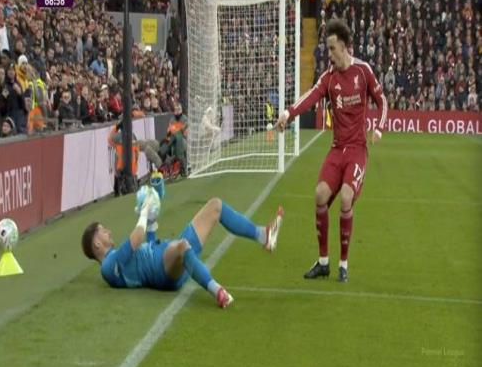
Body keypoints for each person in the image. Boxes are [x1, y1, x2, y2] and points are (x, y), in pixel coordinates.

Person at [274, 18, 388, 282]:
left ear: (345, 47)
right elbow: (311, 97)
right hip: (337, 150)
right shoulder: (329, 77)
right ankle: (324, 262)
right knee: (320, 195)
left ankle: (343, 265)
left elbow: (381, 100)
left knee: (347, 198)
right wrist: (288, 113)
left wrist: (379, 128)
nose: (330, 54)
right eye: (328, 49)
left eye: (333, 49)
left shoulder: (363, 71)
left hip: (357, 150)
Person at [81, 185, 284, 308]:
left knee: (215, 206)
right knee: (182, 246)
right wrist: (144, 211)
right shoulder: (108, 267)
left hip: (168, 255)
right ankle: (218, 292)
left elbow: (146, 246)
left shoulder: (116, 260)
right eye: (103, 231)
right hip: (163, 270)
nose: (109, 231)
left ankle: (264, 236)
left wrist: (150, 222)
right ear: (97, 243)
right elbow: (137, 238)